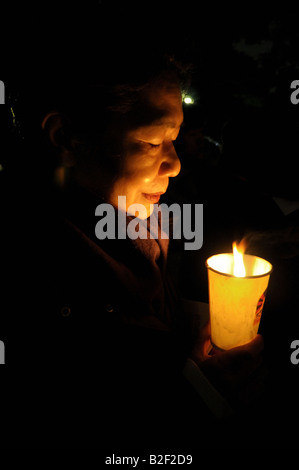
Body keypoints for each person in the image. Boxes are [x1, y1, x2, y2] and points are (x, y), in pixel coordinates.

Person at [1, 49, 265, 450]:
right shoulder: (36, 269)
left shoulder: (141, 227)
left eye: (174, 141)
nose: (175, 165)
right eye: (150, 140)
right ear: (66, 138)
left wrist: (189, 347)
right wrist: (198, 395)